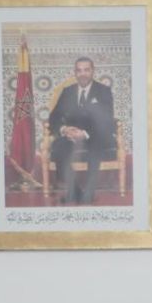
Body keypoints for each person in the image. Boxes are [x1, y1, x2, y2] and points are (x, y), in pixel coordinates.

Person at [48, 56, 115, 205]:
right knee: (58, 146)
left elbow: (107, 120)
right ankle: (75, 191)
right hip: (71, 136)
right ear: (75, 72)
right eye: (79, 70)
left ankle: (88, 194)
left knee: (95, 146)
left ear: (92, 71)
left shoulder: (103, 91)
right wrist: (65, 129)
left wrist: (84, 134)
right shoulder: (67, 91)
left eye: (86, 70)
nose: (82, 74)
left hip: (95, 135)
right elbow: (54, 117)